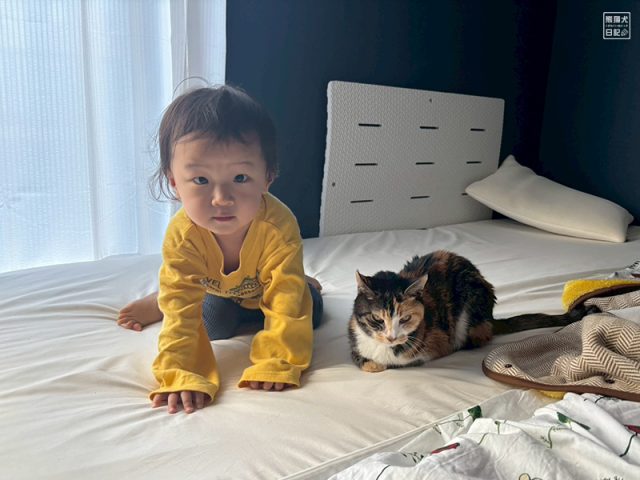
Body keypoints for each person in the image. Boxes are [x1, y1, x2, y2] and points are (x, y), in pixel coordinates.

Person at [118, 85, 323, 414]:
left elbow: (286, 303)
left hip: (268, 288)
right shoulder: (183, 236)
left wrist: (276, 361)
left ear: (268, 177)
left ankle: (302, 279)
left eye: (240, 178)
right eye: (200, 180)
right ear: (174, 182)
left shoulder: (278, 226)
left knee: (310, 310)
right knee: (213, 325)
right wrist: (181, 372)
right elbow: (182, 317)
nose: (221, 199)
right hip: (216, 290)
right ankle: (161, 297)